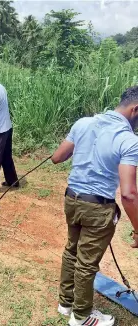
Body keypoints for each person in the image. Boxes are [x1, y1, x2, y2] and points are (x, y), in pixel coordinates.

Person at [51, 86, 138, 326]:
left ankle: (65, 303)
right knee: (87, 263)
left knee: (71, 251)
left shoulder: (82, 124)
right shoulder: (128, 140)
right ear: (135, 109)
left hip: (72, 200)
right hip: (97, 209)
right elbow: (129, 194)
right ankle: (81, 316)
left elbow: (57, 157)